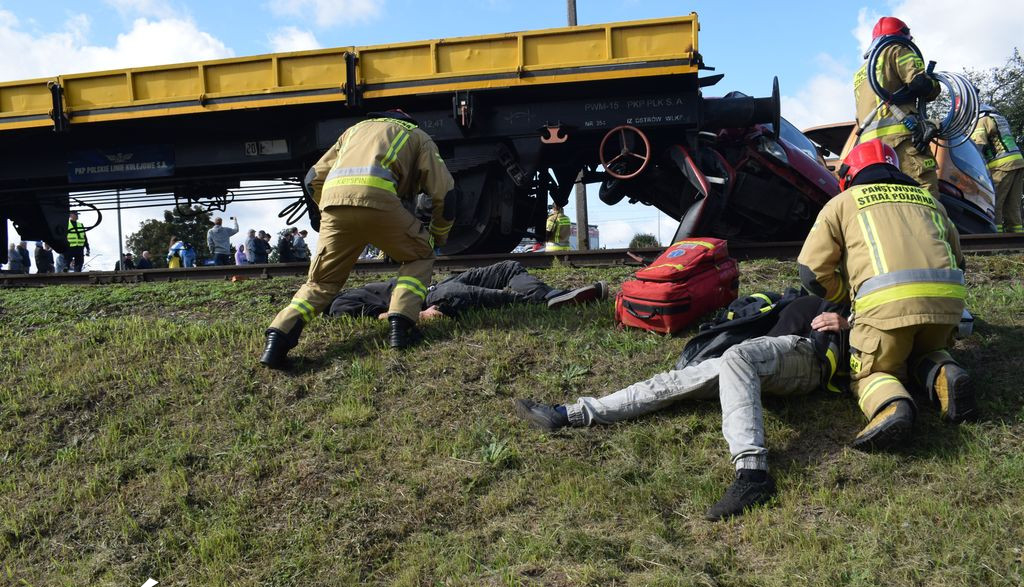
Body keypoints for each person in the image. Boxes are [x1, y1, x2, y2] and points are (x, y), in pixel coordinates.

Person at [515, 294, 849, 520]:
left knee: (738, 356)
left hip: (804, 354)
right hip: (750, 359)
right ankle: (567, 414)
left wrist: (850, 322)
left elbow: (887, 327)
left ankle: (753, 476)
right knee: (670, 381)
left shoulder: (850, 292)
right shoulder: (788, 296)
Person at [797, 139, 975, 450]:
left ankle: (892, 406)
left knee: (874, 371)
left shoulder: (843, 203)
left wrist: (848, 297)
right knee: (920, 352)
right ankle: (946, 371)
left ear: (849, 176)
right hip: (946, 308)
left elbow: (811, 271)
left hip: (885, 312)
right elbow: (958, 261)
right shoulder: (929, 201)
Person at [260, 109, 455, 368]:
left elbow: (312, 179)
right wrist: (439, 234)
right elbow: (445, 193)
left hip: (333, 206)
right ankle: (402, 326)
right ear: (408, 121)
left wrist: (329, 211)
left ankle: (277, 340)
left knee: (321, 282)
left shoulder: (352, 132)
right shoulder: (417, 136)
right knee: (419, 256)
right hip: (380, 201)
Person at [328, 260, 607, 320]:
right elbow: (379, 317)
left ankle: (550, 296)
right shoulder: (339, 306)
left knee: (508, 268)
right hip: (433, 298)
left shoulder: (347, 292)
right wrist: (423, 315)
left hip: (441, 285)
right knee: (501, 299)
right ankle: (544, 302)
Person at [853, 16, 941, 197]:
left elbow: (858, 115)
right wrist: (934, 84)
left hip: (872, 148)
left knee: (888, 199)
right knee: (924, 194)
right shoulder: (896, 48)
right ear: (902, 35)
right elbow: (919, 84)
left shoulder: (861, 72)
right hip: (902, 140)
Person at [971, 104, 1024, 233]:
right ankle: (1017, 241)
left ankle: (996, 239)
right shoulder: (999, 118)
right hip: (1018, 162)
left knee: (995, 204)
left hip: (1001, 166)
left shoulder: (981, 121)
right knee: (1013, 205)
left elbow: (979, 146)